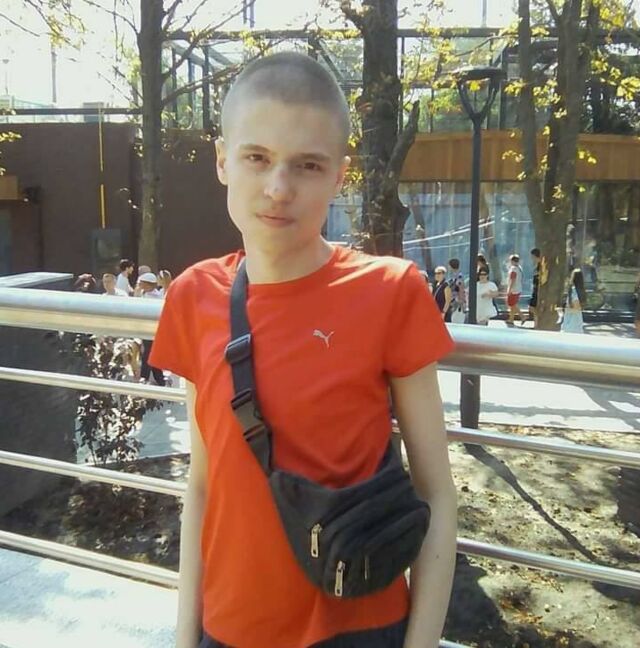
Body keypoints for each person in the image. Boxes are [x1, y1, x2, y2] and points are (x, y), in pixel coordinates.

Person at [150, 52, 457, 648]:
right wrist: (185, 639)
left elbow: (437, 493)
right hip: (229, 630)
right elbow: (202, 487)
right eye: (257, 158)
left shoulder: (390, 291)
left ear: (339, 176)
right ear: (222, 160)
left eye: (307, 165)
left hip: (360, 628)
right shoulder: (193, 296)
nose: (278, 188)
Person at [138, 272, 165, 385]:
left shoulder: (156, 297)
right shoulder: (144, 294)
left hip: (153, 329)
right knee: (150, 353)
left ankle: (144, 377)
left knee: (147, 353)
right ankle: (160, 379)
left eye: (142, 283)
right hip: (145, 328)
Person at [561, 268, 586, 334]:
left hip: (572, 325)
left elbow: (576, 308)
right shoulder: (577, 290)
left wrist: (565, 309)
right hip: (573, 324)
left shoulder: (575, 291)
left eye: (572, 276)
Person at [506, 253, 524, 325]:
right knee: (513, 304)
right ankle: (511, 319)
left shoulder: (513, 269)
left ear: (512, 261)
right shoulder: (519, 268)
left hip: (514, 290)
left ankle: (522, 316)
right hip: (518, 288)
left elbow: (512, 280)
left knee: (512, 304)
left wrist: (509, 289)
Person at [447, 257, 466, 322]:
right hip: (452, 300)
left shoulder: (459, 276)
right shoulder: (453, 275)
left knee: (456, 318)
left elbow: (460, 287)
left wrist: (461, 300)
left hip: (457, 300)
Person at [529, 248, 541, 328]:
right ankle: (536, 323)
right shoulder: (536, 265)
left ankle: (536, 324)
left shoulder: (540, 266)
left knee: (533, 307)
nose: (532, 259)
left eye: (532, 257)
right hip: (535, 289)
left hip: (537, 290)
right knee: (532, 307)